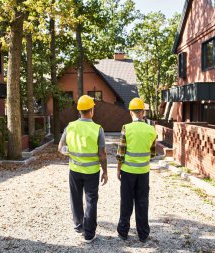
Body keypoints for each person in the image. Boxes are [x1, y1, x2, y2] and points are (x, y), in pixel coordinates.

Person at [58, 95, 108, 244]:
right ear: (92, 110)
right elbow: (102, 154)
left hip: (74, 170)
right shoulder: (98, 129)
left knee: (75, 197)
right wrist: (105, 171)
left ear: (79, 110)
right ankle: (89, 234)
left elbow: (60, 148)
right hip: (92, 171)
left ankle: (79, 226)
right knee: (91, 200)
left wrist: (70, 152)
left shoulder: (70, 126)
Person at [116, 97, 157, 243]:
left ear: (130, 113)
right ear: (143, 112)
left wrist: (118, 170)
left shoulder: (126, 128)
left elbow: (121, 153)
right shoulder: (151, 130)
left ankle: (123, 232)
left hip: (128, 172)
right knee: (142, 202)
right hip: (143, 173)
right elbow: (152, 153)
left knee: (126, 203)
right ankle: (143, 234)